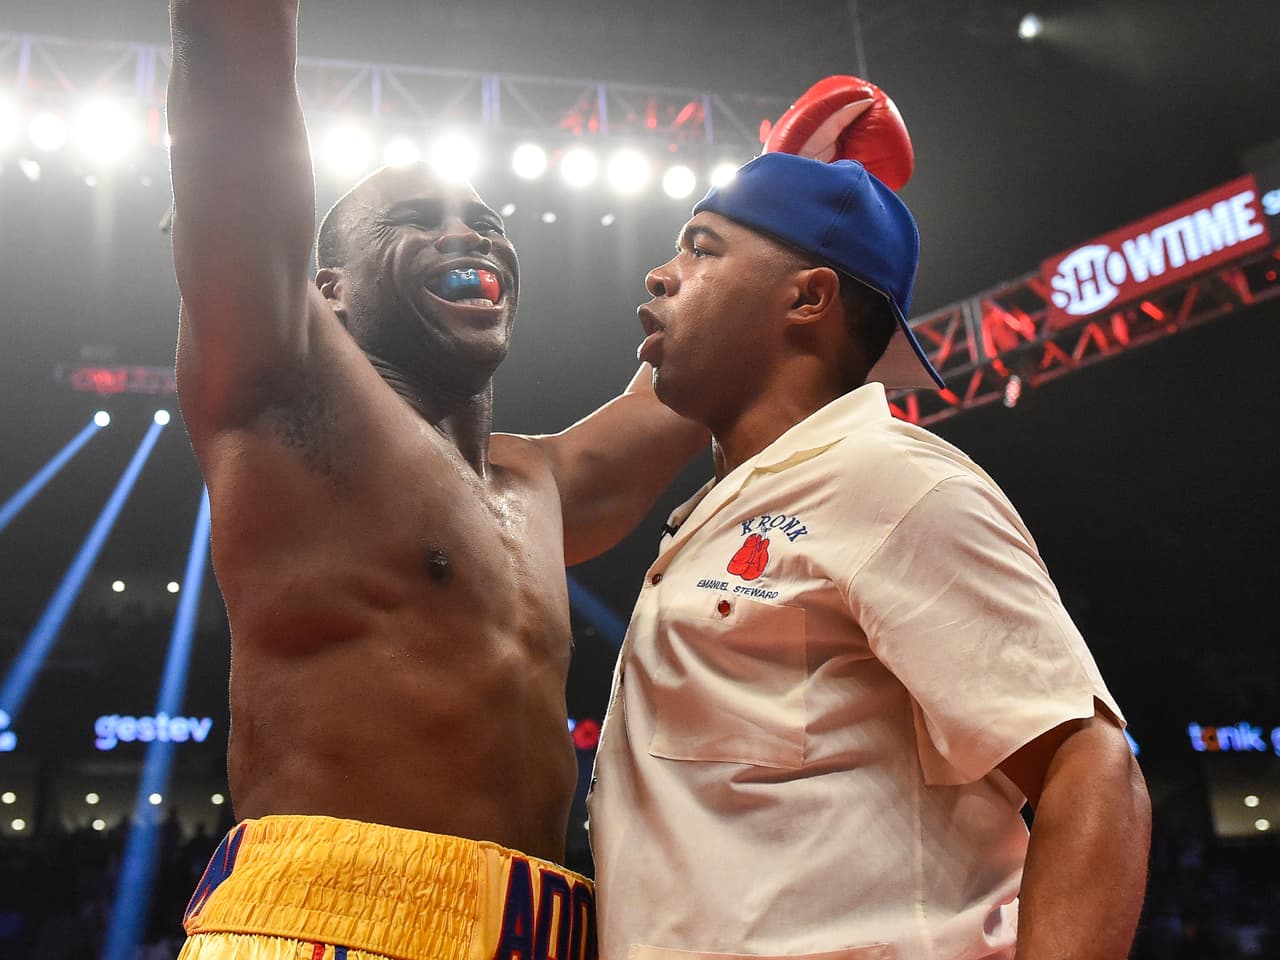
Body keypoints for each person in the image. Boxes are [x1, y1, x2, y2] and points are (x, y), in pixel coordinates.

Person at [165, 2, 705, 959]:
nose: (473, 239)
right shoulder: (283, 400)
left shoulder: (540, 482)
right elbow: (234, 103)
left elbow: (697, 372)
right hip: (327, 920)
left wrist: (795, 184)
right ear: (327, 288)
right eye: (418, 223)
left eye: (489, 225)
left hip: (553, 929)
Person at [587, 100, 1152, 959]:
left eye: (700, 247)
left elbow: (1092, 768)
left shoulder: (894, 483)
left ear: (808, 297)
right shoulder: (725, 509)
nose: (660, 275)